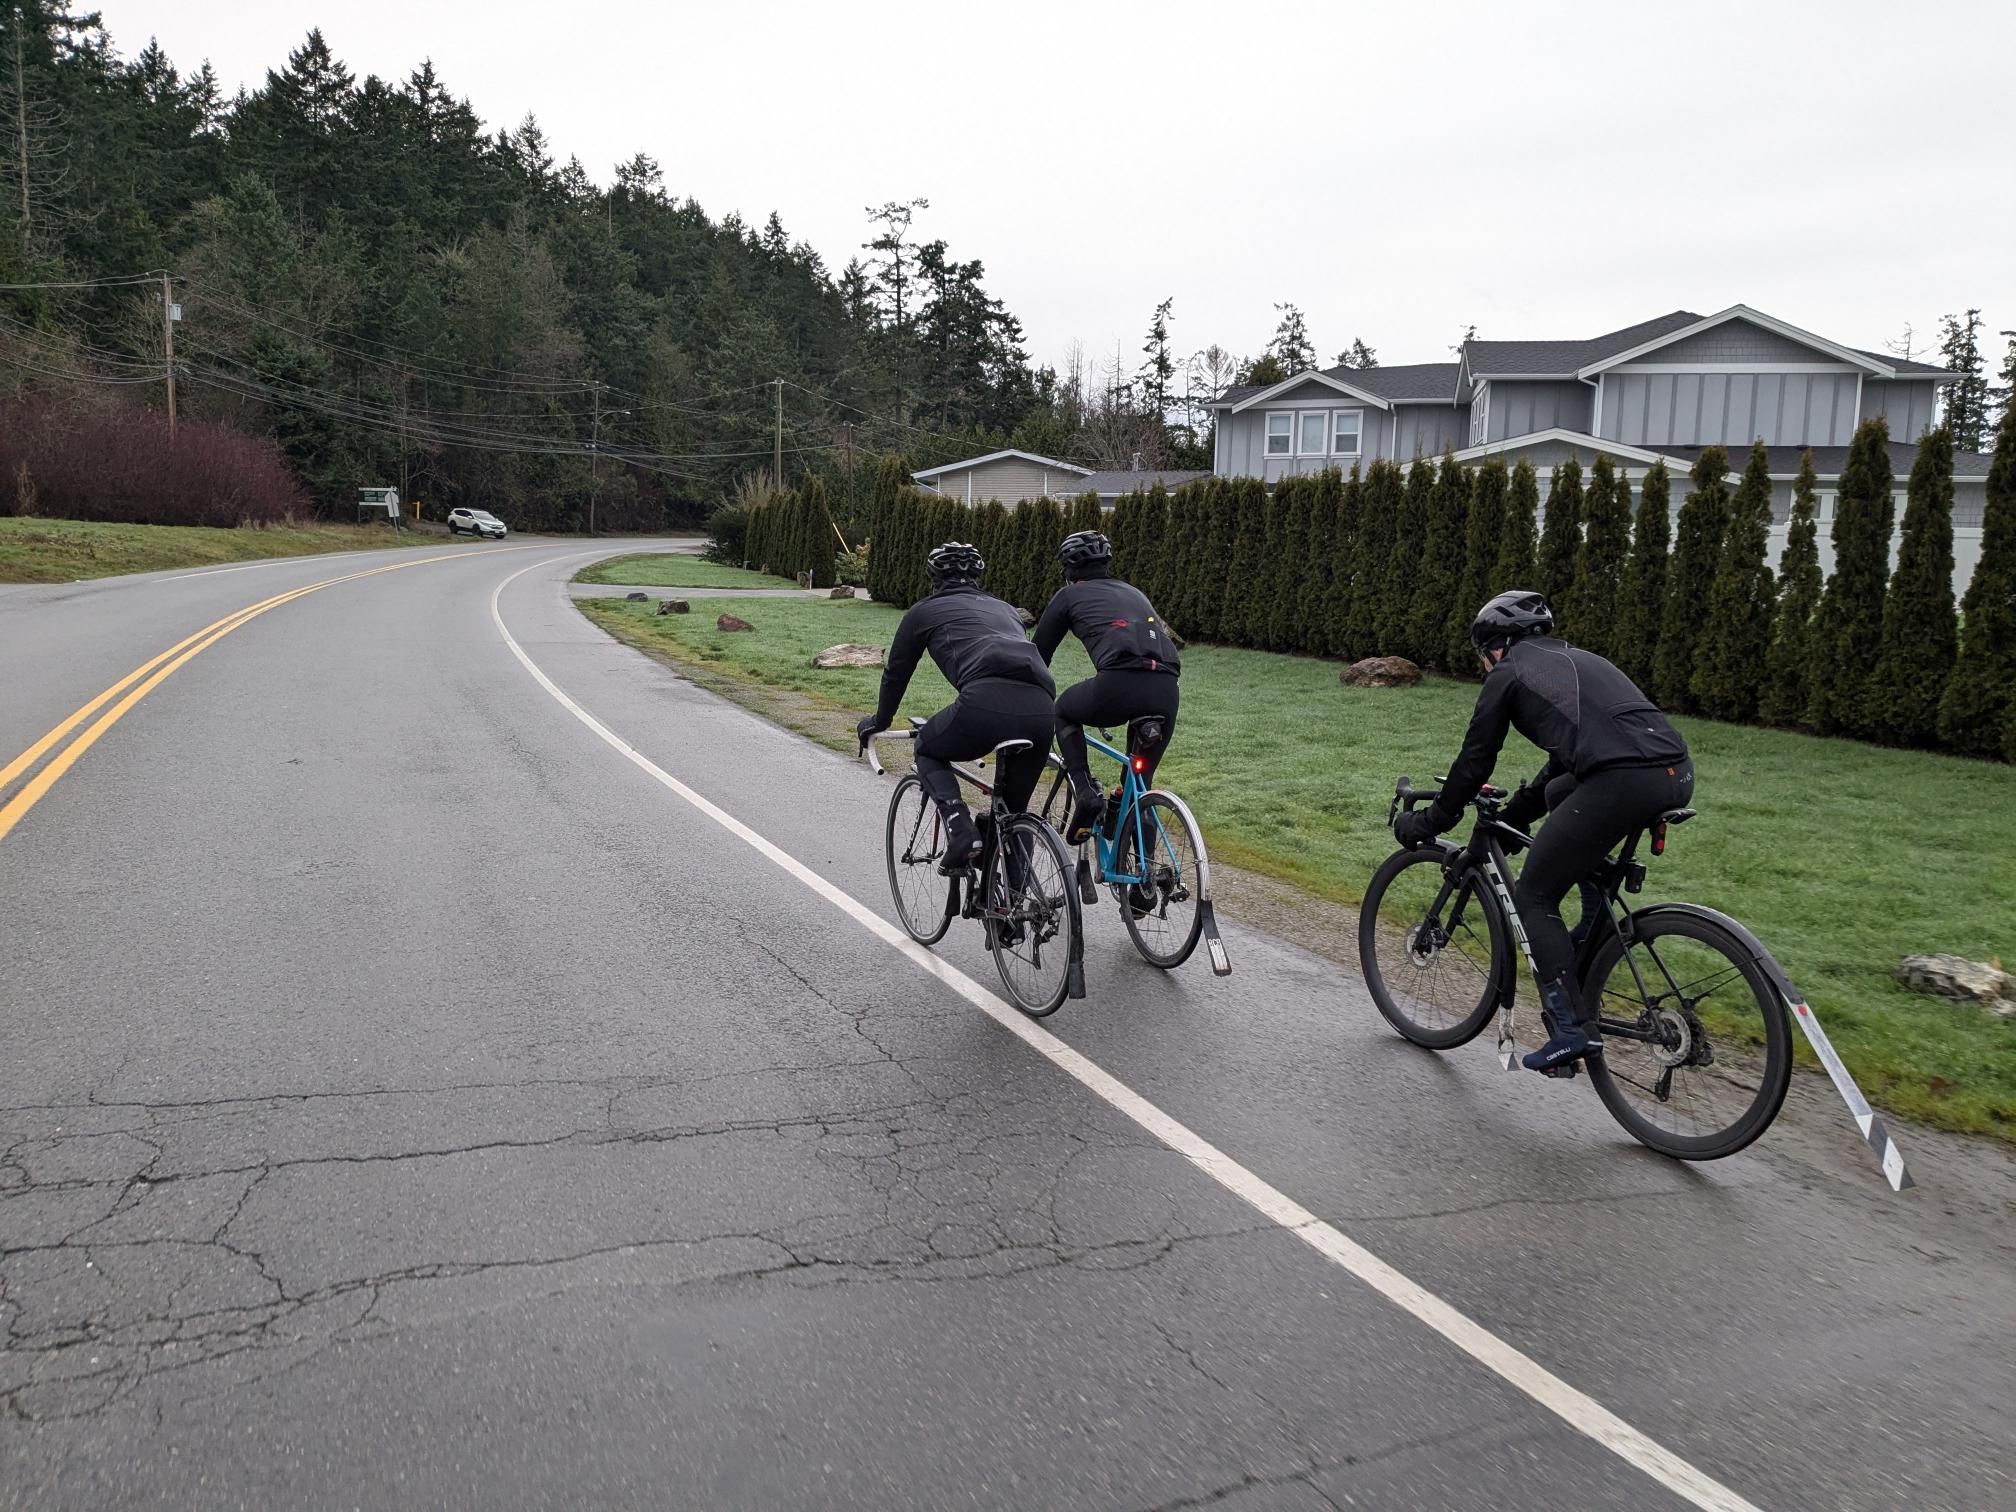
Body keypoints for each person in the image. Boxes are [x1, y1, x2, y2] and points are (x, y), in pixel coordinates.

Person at [1393, 590, 1693, 1072]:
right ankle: (1592, 927)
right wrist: (1517, 816)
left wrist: (1428, 822)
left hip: (1621, 780)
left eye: (1482, 657)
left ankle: (1570, 1031)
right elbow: (1562, 765)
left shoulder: (1509, 671)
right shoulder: (1578, 660)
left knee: (1534, 894)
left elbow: (1474, 762)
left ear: (1493, 648)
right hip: (1674, 773)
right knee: (1559, 795)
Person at [857, 542, 1056, 874]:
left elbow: (897, 672)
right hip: (1042, 709)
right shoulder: (1006, 609)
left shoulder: (924, 611)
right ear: (978, 576)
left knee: (927, 747)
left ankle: (960, 829)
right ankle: (1017, 902)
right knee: (1013, 813)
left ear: (933, 576)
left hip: (983, 702)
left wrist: (880, 720)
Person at [1031, 530, 1181, 844]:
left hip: (1119, 684)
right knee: (1139, 782)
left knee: (1063, 711)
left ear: (1068, 569)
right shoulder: (1134, 592)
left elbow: (1038, 655)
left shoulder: (1068, 595)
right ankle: (1143, 870)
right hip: (1167, 687)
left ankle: (1085, 790)